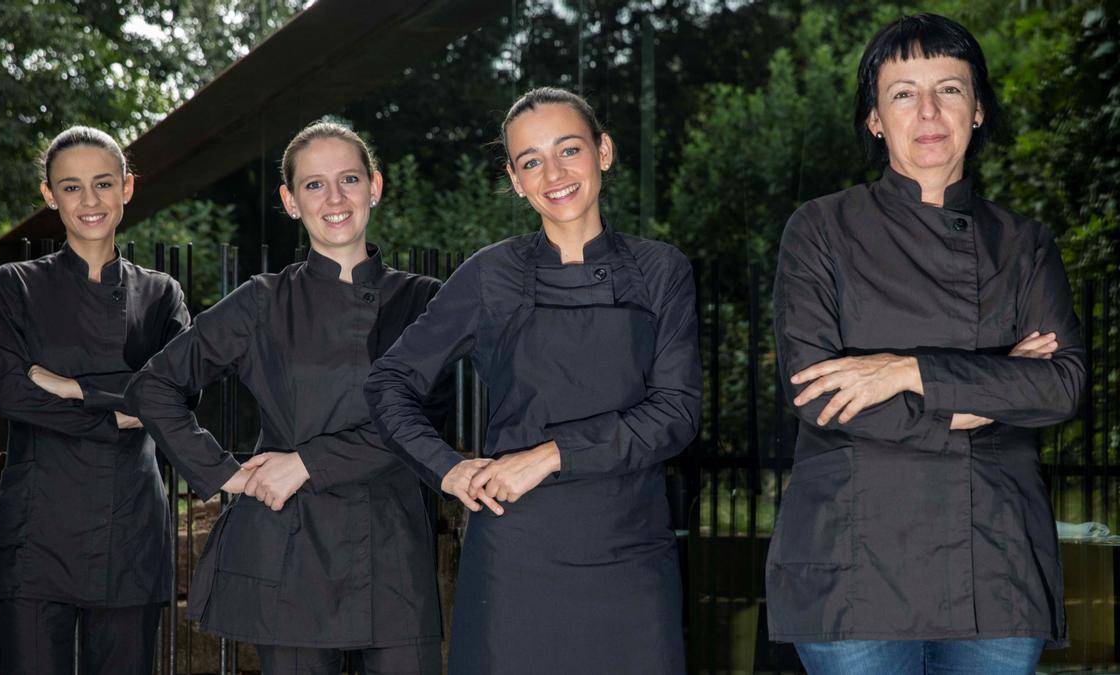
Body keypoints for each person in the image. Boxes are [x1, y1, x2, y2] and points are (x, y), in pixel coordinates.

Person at [767, 13, 1084, 674]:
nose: (930, 111)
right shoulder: (820, 229)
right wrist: (991, 390)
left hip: (994, 562)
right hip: (853, 565)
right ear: (875, 120)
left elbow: (1059, 384)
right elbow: (817, 393)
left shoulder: (1024, 243)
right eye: (904, 92)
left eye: (950, 89)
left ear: (977, 112)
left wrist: (905, 369)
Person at [365, 87, 702, 675]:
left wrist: (548, 456)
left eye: (568, 150)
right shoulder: (489, 274)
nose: (553, 173)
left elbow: (675, 415)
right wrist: (447, 467)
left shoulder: (661, 270)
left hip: (632, 552)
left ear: (604, 151)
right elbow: (390, 383)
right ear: (516, 180)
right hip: (515, 560)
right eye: (530, 161)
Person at [125, 121, 446, 675]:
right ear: (290, 201)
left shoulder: (424, 301)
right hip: (291, 552)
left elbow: (417, 425)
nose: (335, 198)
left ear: (375, 186)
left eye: (348, 178)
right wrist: (226, 473)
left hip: (395, 554)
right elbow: (153, 386)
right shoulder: (261, 302)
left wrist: (306, 463)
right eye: (314, 185)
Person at [0, 126, 191, 674]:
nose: (89, 201)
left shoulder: (161, 294)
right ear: (50, 195)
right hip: (38, 528)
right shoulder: (14, 286)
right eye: (71, 187)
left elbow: (175, 397)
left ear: (127, 188)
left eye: (102, 184)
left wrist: (77, 388)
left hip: (131, 525)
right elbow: (14, 395)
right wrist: (124, 409)